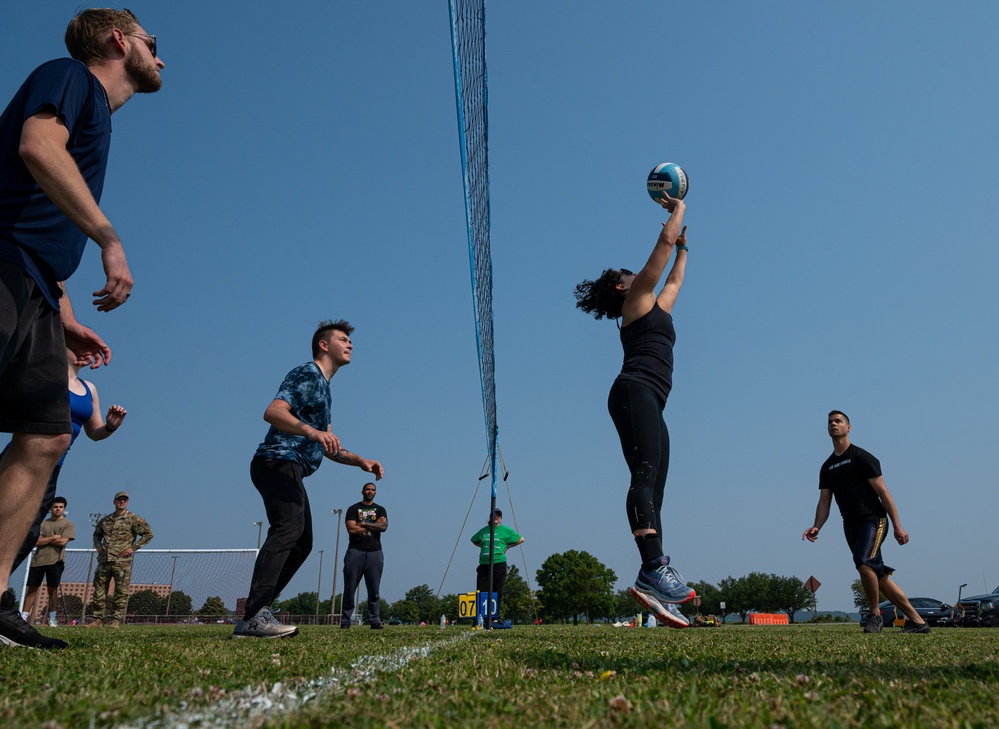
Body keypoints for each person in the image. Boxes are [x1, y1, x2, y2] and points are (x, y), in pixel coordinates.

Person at [0, 8, 163, 649]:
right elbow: (37, 146)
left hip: (38, 288)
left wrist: (65, 317)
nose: (161, 56)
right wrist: (109, 237)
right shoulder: (70, 76)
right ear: (120, 41)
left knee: (45, 438)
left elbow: (46, 214)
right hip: (3, 265)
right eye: (154, 42)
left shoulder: (96, 116)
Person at [573, 193, 693, 629]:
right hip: (633, 391)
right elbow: (657, 257)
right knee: (643, 475)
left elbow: (674, 280)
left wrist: (683, 246)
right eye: (631, 272)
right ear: (623, 286)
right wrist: (678, 209)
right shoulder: (633, 302)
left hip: (652, 400)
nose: (636, 272)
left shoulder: (656, 306)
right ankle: (653, 567)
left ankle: (653, 583)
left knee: (656, 491)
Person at [234, 320, 385, 639]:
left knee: (302, 542)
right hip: (276, 460)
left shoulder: (325, 391)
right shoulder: (307, 374)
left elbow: (329, 446)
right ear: (324, 345)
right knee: (289, 528)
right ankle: (255, 615)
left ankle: (255, 613)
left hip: (289, 467)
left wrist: (360, 461)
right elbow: (273, 412)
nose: (351, 345)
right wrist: (310, 431)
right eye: (343, 339)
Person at [803, 411, 930, 634]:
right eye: (830, 422)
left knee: (863, 561)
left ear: (848, 427)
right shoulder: (827, 466)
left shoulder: (862, 457)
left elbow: (884, 493)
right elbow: (824, 501)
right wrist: (817, 526)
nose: (833, 424)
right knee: (878, 576)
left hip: (873, 520)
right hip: (850, 525)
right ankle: (918, 622)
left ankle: (874, 615)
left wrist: (897, 526)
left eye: (838, 421)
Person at [5, 349, 127, 574]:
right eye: (77, 347)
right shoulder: (47, 375)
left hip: (52, 467)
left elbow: (95, 431)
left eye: (89, 350)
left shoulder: (89, 389)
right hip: (22, 459)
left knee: (30, 530)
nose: (85, 353)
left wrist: (110, 426)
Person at [89, 491, 154, 629]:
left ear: (127, 502)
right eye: (119, 500)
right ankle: (98, 620)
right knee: (99, 590)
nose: (122, 502)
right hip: (104, 561)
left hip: (122, 562)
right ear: (114, 501)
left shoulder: (133, 519)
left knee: (121, 591)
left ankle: (115, 620)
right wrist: (98, 545)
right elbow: (96, 535)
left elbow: (148, 534)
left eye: (124, 500)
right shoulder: (105, 520)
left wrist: (133, 548)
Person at [341, 482, 389, 629]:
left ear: (375, 492)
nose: (370, 491)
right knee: (350, 588)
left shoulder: (380, 509)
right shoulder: (353, 509)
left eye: (373, 490)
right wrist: (375, 525)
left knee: (374, 590)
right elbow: (351, 529)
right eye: (368, 489)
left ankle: (374, 621)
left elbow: (384, 527)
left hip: (375, 552)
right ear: (362, 491)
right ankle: (345, 622)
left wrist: (363, 523)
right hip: (355, 551)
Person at [22, 497, 75, 627]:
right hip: (38, 561)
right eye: (55, 507)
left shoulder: (68, 524)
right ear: (50, 508)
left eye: (60, 507)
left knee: (53, 590)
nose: (58, 509)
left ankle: (52, 618)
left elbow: (63, 542)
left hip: (56, 561)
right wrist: (53, 537)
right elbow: (36, 541)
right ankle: (23, 617)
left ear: (64, 508)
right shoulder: (42, 524)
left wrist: (46, 539)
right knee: (32, 589)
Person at [470, 508, 523, 626]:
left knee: (496, 591)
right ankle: (480, 617)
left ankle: (494, 617)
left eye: (498, 516)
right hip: (484, 565)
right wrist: (483, 546)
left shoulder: (505, 530)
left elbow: (521, 539)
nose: (495, 517)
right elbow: (473, 539)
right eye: (493, 515)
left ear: (500, 518)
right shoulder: (484, 531)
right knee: (481, 591)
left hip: (498, 564)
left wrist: (507, 547)